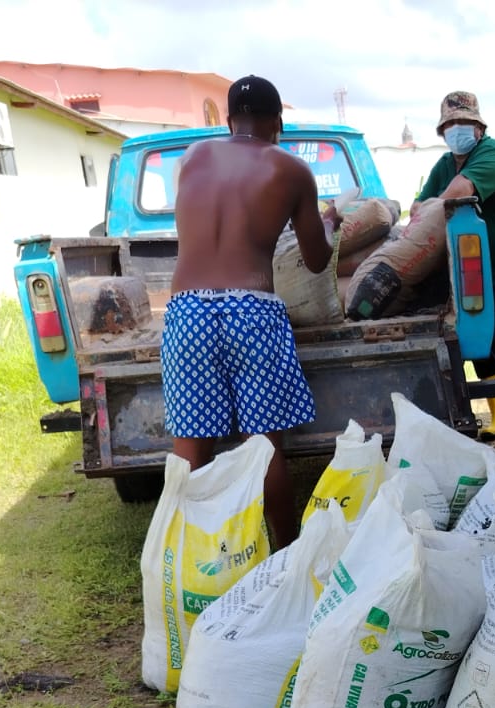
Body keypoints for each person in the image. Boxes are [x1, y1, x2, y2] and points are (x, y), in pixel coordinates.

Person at [162, 74, 341, 548]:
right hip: (253, 310)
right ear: (278, 121)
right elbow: (317, 260)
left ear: (228, 121)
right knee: (264, 449)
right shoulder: (292, 170)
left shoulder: (193, 157)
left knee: (191, 453)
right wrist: (328, 223)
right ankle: (286, 553)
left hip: (187, 312)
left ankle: (192, 559)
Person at [415, 91, 495, 438]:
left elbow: (460, 191)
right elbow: (419, 205)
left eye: (465, 122)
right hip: (465, 271)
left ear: (479, 127)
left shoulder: (492, 153)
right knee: (478, 335)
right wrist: (424, 209)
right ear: (442, 131)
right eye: (451, 123)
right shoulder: (444, 165)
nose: (457, 128)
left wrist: (429, 207)